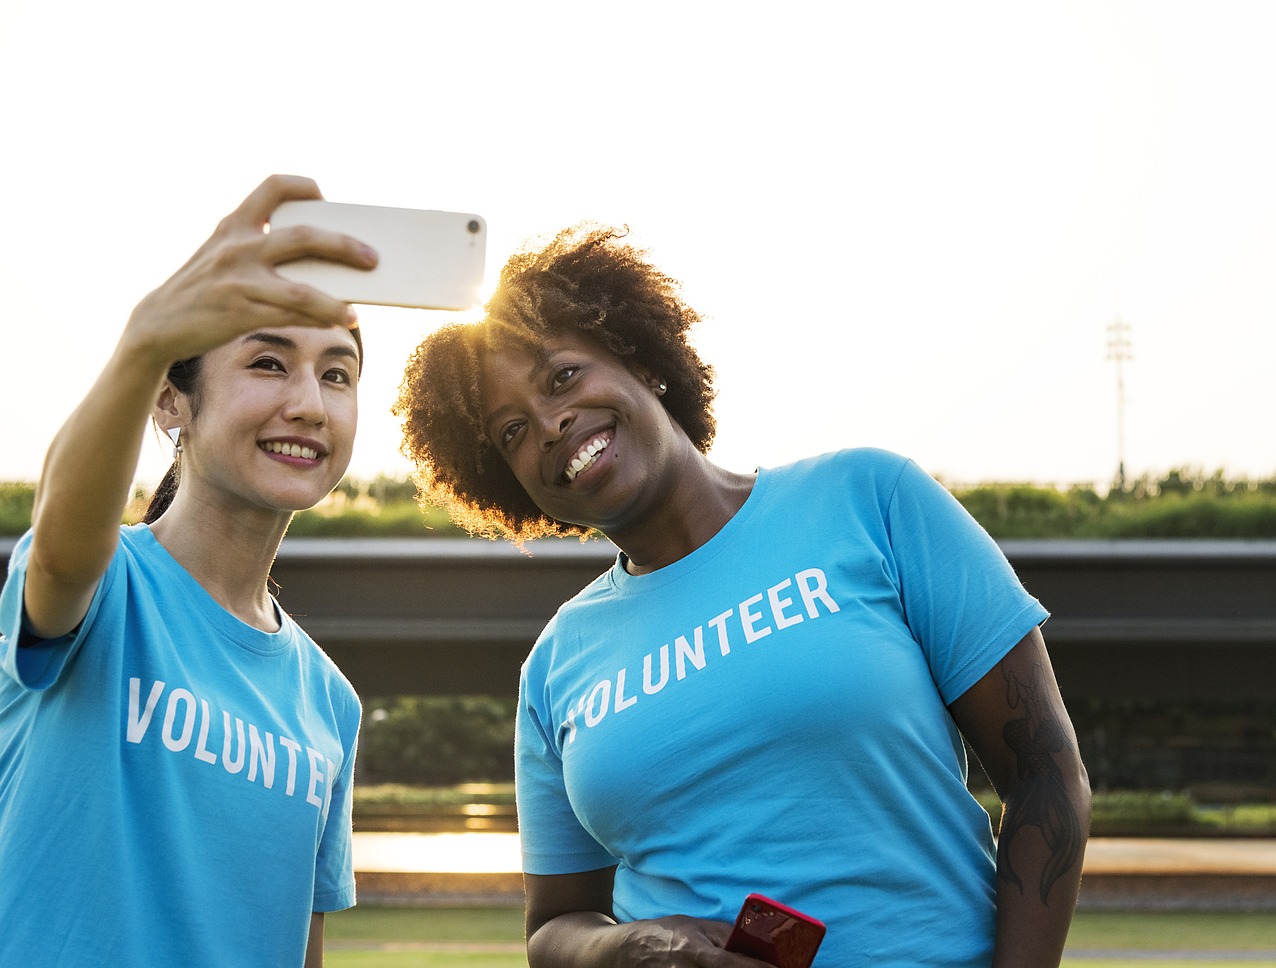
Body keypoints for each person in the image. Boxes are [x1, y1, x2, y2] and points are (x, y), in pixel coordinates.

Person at [394, 224, 1093, 968]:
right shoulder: (554, 667)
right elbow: (555, 927)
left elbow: (1046, 772)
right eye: (512, 432)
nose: (551, 423)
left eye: (562, 377)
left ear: (642, 362)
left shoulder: (869, 501)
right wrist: (633, 946)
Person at [0, 175, 376, 967]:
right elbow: (66, 540)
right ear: (171, 404)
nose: (310, 403)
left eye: (337, 373)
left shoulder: (329, 702)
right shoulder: (106, 587)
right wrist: (145, 340)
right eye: (269, 363)